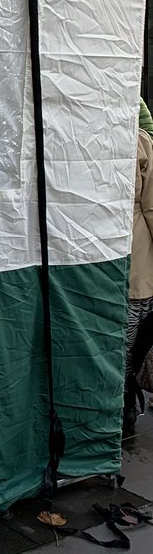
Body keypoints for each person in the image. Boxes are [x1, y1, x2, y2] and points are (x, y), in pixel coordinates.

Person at [125, 126, 153, 436]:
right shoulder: (140, 140)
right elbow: (152, 206)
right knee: (131, 348)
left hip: (92, 268)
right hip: (137, 268)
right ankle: (126, 410)